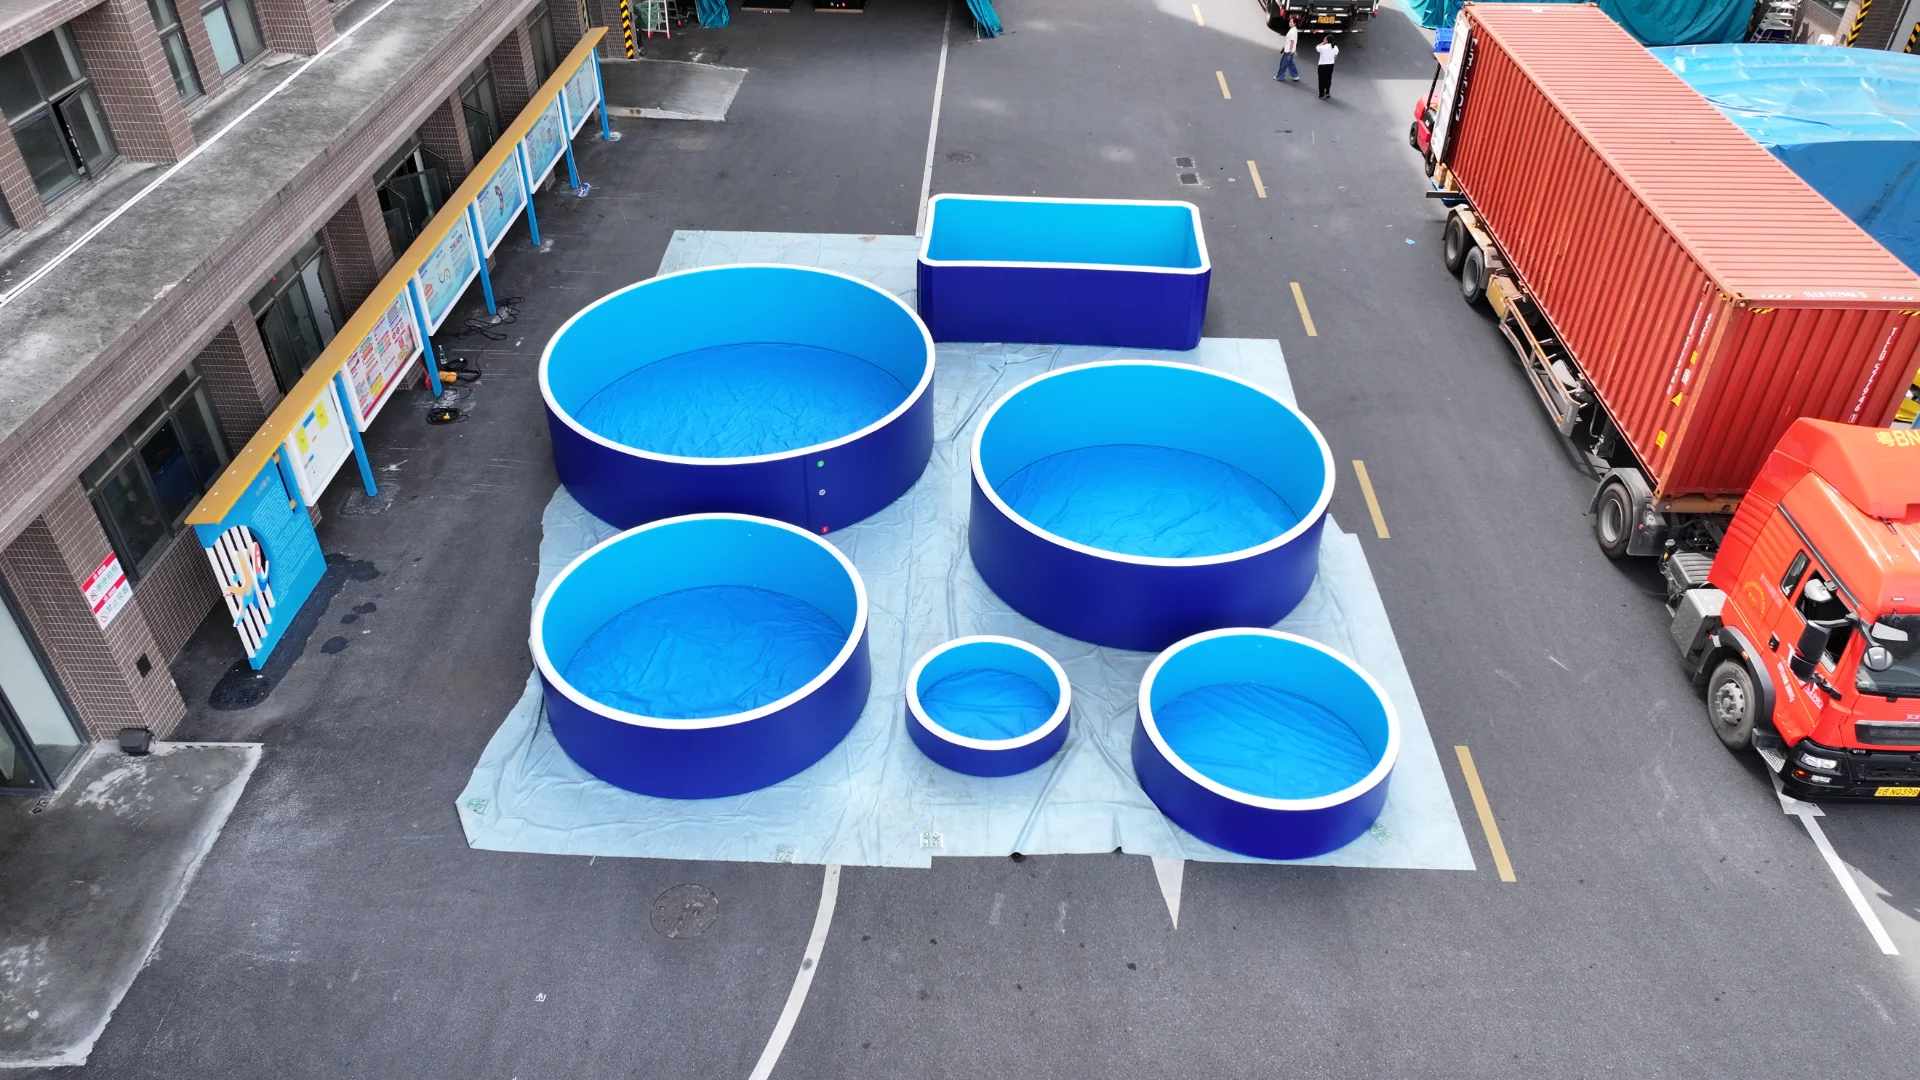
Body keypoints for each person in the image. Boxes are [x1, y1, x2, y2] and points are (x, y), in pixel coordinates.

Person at [1274, 16, 1300, 82]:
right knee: (1290, 63)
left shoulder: (1293, 31)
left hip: (1288, 51)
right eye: (1290, 21)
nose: (1289, 23)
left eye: (1291, 22)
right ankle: (1295, 75)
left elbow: (1292, 41)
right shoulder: (1293, 29)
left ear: (1295, 24)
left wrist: (1290, 50)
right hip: (1290, 50)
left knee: (1283, 63)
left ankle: (1280, 76)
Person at [1315, 34, 1339, 99]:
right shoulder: (1335, 47)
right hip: (1331, 65)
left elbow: (1317, 47)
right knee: (1328, 79)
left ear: (1327, 40)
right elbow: (1335, 57)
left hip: (1322, 65)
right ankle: (1327, 92)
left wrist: (1323, 42)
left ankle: (1321, 94)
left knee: (1321, 80)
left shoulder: (1323, 47)